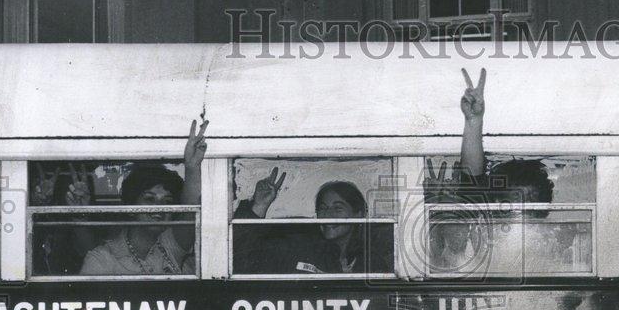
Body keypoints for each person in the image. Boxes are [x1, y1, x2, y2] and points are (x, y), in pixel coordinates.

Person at [428, 68, 562, 276]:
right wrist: (473, 122)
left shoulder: (552, 253)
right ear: (493, 208)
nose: (516, 216)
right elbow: (472, 178)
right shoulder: (475, 246)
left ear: (541, 212)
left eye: (528, 209)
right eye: (507, 207)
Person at [78, 118, 207, 275]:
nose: (160, 208)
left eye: (167, 202)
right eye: (149, 199)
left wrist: (192, 166)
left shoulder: (169, 246)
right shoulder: (101, 259)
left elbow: (190, 213)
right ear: (131, 207)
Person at [233, 171, 393, 274]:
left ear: (358, 215)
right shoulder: (299, 246)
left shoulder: (373, 259)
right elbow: (242, 260)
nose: (328, 215)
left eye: (337, 208)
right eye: (323, 208)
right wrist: (258, 206)